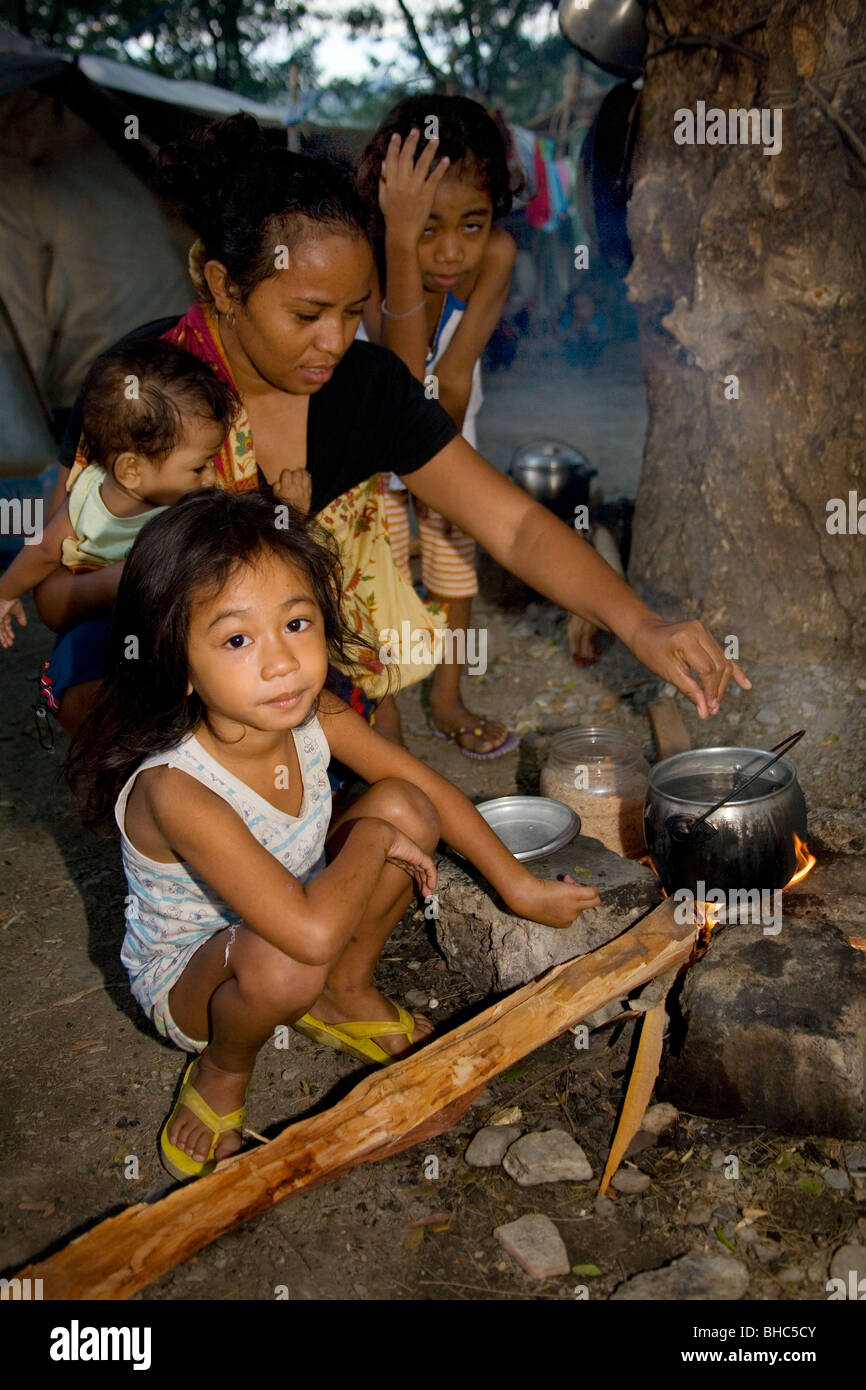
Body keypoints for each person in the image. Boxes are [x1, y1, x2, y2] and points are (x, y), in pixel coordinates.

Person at [35, 114, 750, 743]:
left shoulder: (366, 385)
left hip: (292, 674)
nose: (335, 343)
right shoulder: (144, 389)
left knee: (385, 827)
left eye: (353, 312)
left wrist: (641, 624)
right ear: (224, 287)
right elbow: (56, 595)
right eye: (308, 315)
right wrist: (176, 579)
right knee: (96, 682)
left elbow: (514, 527)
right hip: (173, 665)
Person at [66, 490, 601, 1180]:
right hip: (199, 978)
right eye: (236, 639)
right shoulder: (176, 789)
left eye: (296, 623)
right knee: (292, 950)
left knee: (405, 801)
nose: (281, 661)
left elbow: (429, 792)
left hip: (293, 910)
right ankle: (224, 1071)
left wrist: (519, 886)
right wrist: (374, 840)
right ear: (179, 661)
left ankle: (344, 992)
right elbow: (308, 935)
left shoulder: (314, 710)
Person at [355, 95, 521, 757]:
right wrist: (399, 244)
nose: (451, 252)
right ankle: (382, 701)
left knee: (454, 567)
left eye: (471, 225)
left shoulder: (499, 257)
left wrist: (439, 479)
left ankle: (448, 696)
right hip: (373, 449)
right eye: (428, 227)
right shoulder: (368, 261)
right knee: (379, 569)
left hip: (448, 437)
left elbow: (450, 378)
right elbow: (399, 377)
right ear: (391, 215)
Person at [0, 341, 235, 659]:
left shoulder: (190, 503)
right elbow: (43, 550)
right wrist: (5, 592)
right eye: (199, 467)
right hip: (100, 625)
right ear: (131, 470)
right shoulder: (86, 498)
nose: (211, 478)